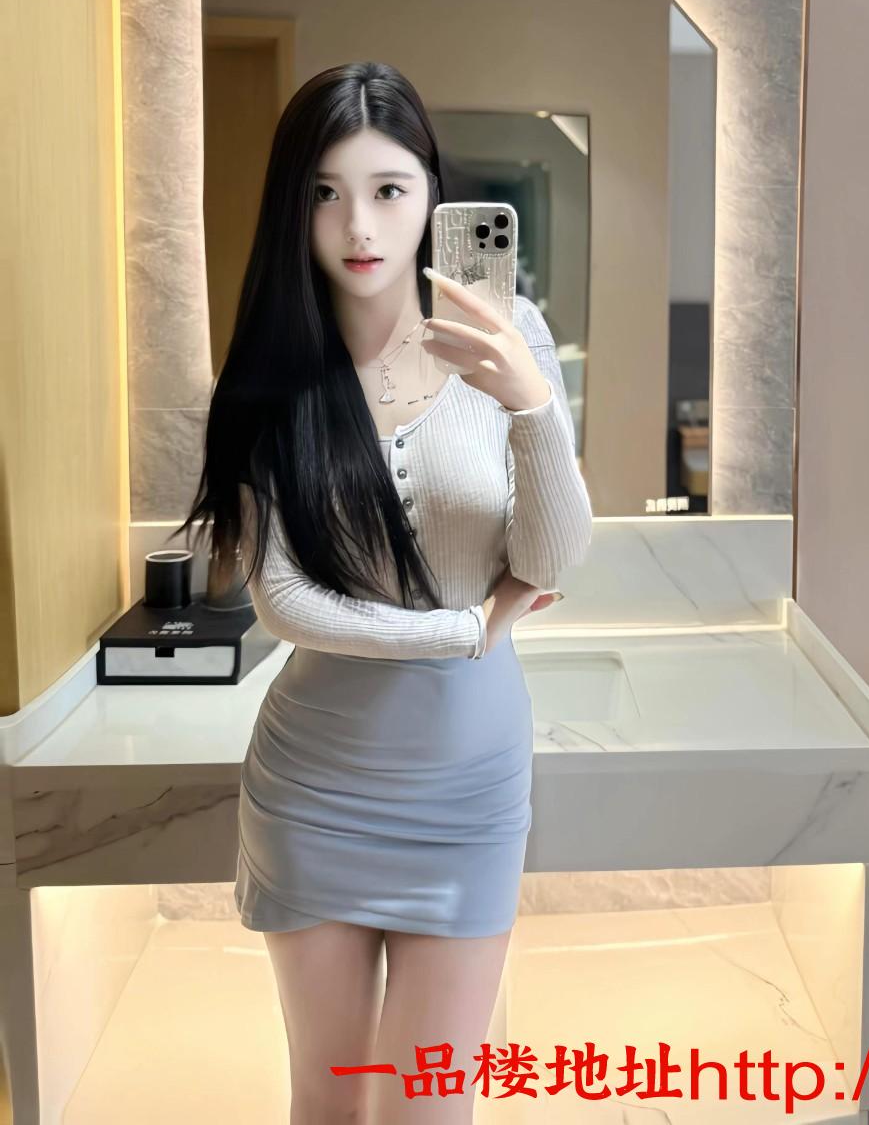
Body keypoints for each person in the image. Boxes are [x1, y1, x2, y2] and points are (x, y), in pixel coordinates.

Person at [175, 60, 593, 1122]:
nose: (358, 224)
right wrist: (465, 631)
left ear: (431, 196)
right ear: (293, 206)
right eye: (324, 191)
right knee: (327, 1100)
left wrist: (532, 405)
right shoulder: (272, 373)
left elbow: (551, 561)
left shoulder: (511, 337)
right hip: (317, 789)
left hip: (470, 795)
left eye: (388, 189)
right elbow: (282, 601)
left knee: (428, 1108)